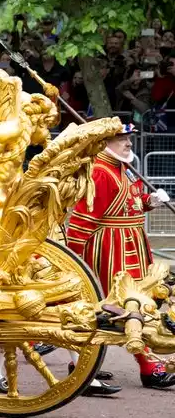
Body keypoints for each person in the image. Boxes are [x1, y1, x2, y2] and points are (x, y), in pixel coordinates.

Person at [65, 123, 175, 389]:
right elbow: (82, 220)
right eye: (121, 139)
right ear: (105, 143)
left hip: (131, 245)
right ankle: (147, 365)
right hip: (111, 249)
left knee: (140, 303)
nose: (127, 143)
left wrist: (149, 201)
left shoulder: (121, 168)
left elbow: (128, 204)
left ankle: (85, 362)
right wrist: (73, 261)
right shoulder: (101, 172)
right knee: (127, 306)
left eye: (128, 138)